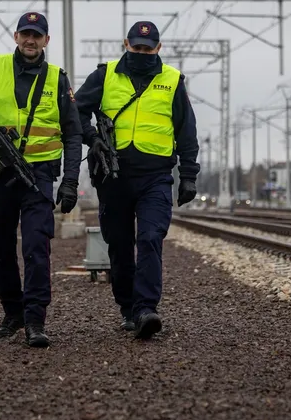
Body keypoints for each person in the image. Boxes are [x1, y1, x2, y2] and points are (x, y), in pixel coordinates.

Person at [0, 12, 82, 348]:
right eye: (25, 34)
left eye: (37, 35)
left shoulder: (57, 78)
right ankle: (13, 312)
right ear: (16, 36)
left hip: (39, 176)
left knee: (37, 245)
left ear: (46, 40)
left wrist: (70, 180)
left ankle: (36, 319)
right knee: (1, 246)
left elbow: (73, 132)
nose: (30, 40)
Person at [73, 20, 199, 340]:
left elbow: (186, 131)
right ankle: (127, 306)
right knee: (119, 244)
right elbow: (75, 112)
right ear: (126, 44)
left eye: (148, 48)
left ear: (158, 48)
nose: (142, 52)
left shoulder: (172, 81)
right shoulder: (104, 75)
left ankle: (146, 308)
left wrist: (188, 176)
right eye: (136, 47)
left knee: (150, 238)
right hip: (113, 176)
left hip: (155, 176)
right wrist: (93, 138)